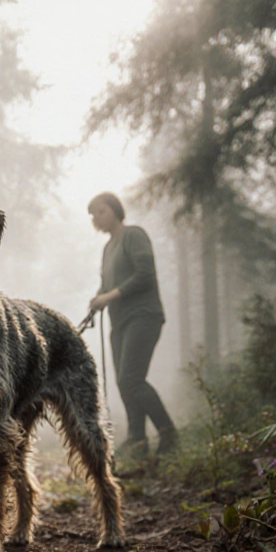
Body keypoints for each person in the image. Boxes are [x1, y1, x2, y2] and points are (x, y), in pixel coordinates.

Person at [87, 192, 178, 460]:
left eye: (101, 211)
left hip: (143, 315)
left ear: (115, 209)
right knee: (123, 382)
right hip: (120, 320)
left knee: (131, 379)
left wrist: (109, 295)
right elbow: (107, 283)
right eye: (93, 215)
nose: (97, 218)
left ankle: (168, 431)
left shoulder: (133, 235)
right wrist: (98, 298)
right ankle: (137, 438)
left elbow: (144, 275)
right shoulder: (108, 248)